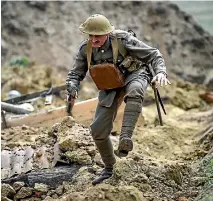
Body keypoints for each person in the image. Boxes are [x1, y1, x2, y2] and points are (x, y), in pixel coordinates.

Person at [66, 14, 171, 185]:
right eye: (90, 35)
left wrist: (160, 72)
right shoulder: (85, 49)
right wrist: (72, 88)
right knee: (98, 130)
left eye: (97, 35)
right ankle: (109, 169)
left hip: (134, 74)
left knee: (136, 90)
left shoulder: (123, 39)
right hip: (110, 84)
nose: (93, 39)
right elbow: (75, 74)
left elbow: (154, 54)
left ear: (107, 33)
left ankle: (125, 139)